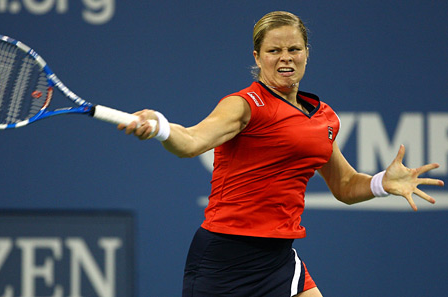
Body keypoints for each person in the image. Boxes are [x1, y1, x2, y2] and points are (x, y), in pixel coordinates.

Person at [118, 11, 444, 297]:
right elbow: (190, 141)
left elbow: (344, 186)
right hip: (225, 259)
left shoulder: (324, 118)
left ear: (306, 54)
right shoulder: (244, 104)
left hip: (279, 258)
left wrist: (381, 183)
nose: (285, 57)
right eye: (274, 51)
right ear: (258, 57)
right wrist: (161, 127)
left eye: (294, 49)